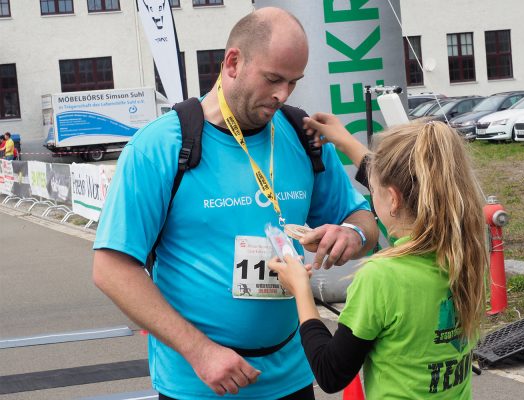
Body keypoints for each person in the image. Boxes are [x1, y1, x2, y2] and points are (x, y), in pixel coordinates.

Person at [92, 7, 378, 400]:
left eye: (293, 83)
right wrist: (200, 352)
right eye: (273, 79)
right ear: (233, 62)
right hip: (201, 383)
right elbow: (111, 268)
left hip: (292, 377)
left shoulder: (303, 136)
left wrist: (352, 233)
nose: (283, 95)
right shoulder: (161, 146)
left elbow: (364, 219)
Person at [269, 120, 488, 399]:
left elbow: (330, 373)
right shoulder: (468, 254)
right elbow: (408, 183)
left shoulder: (382, 277)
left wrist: (300, 289)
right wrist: (344, 140)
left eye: (374, 192)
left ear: (394, 200)